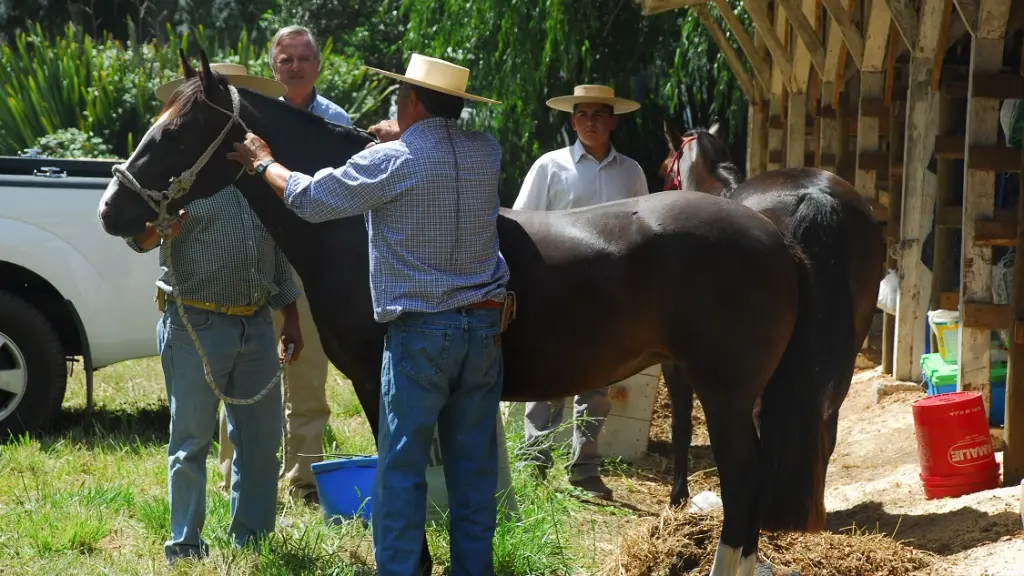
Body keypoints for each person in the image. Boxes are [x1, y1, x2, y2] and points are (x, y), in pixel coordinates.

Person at [227, 53, 510, 576]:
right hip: (484, 328)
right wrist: (402, 134)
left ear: (410, 101)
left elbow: (309, 198)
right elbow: (436, 152)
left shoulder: (391, 161)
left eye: (400, 96)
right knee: (473, 469)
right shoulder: (485, 151)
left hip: (421, 332)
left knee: (401, 470)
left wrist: (263, 162)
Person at [131, 64, 304, 563]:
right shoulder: (181, 168)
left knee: (260, 440)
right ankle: (185, 544)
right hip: (194, 321)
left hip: (254, 321)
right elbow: (137, 237)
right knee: (191, 439)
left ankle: (253, 539)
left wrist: (289, 315)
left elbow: (278, 248)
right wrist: (164, 231)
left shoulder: (260, 169)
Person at [217, 23, 348, 506]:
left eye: (302, 58)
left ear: (318, 65)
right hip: (253, 265)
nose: (294, 67)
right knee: (243, 380)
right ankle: (235, 477)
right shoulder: (255, 116)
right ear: (272, 67)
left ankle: (305, 479)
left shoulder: (336, 119)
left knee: (308, 378)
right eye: (284, 60)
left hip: (307, 267)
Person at [512, 84, 649, 501]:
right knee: (548, 373)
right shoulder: (550, 167)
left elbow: (644, 228)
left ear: (612, 120)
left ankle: (585, 468)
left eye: (598, 114)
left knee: (599, 379)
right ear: (573, 121)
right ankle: (534, 460)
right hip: (554, 287)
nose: (590, 121)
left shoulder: (630, 172)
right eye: (582, 114)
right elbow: (521, 222)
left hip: (608, 293)